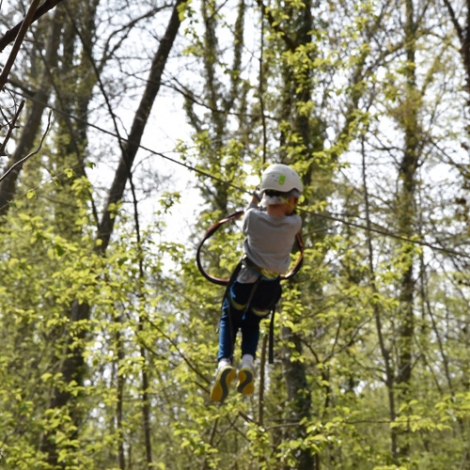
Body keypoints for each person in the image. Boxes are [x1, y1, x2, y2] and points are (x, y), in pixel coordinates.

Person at [210, 163, 303, 402]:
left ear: (266, 196)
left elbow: (251, 213)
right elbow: (286, 213)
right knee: (252, 322)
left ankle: (223, 364)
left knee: (229, 318)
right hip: (269, 290)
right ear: (290, 201)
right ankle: (248, 364)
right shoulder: (295, 224)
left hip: (244, 281)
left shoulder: (252, 217)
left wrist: (256, 196)